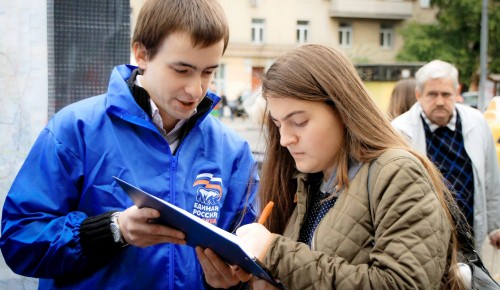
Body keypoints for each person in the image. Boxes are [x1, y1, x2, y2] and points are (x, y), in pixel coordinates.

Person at [0, 0, 258, 289]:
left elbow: (246, 258)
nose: (196, 89)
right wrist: (113, 230)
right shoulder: (75, 129)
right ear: (142, 54)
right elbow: (19, 240)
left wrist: (229, 282)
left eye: (208, 72)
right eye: (182, 70)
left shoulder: (233, 151)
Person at [229, 44, 465, 289]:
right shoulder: (306, 178)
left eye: (299, 122)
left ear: (343, 109)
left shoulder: (397, 173)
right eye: (278, 124)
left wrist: (276, 253)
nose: (285, 139)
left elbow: (403, 284)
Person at [391, 60, 500, 252]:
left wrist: (495, 226)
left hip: (470, 237)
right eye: (432, 94)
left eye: (446, 94)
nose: (440, 101)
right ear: (418, 95)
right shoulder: (400, 131)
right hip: (422, 242)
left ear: (457, 92)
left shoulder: (477, 122)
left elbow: (491, 179)